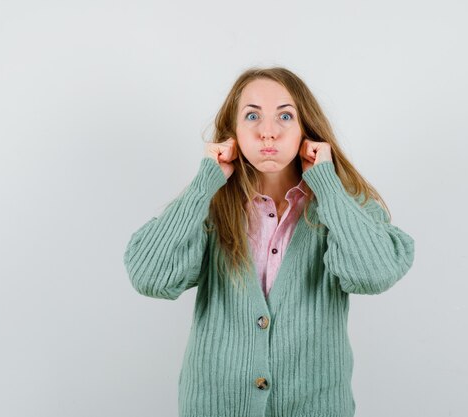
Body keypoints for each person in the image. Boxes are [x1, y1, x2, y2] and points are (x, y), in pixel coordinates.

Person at [123, 66, 416, 417]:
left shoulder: (342, 207)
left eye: (285, 116)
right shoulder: (211, 206)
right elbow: (149, 277)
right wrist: (203, 185)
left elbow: (375, 273)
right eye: (251, 116)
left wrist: (327, 185)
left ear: (306, 131)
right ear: (233, 134)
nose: (267, 132)